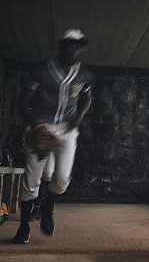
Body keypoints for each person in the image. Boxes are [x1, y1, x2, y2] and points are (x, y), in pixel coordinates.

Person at [12, 29, 92, 244]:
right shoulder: (41, 70)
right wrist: (36, 124)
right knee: (31, 182)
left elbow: (87, 97)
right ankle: (23, 226)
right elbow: (23, 100)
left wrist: (78, 118)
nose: (74, 49)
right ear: (61, 45)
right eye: (69, 44)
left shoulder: (84, 73)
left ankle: (48, 207)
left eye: (78, 45)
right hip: (41, 128)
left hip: (67, 130)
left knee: (62, 179)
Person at [19, 119, 56, 222]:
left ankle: (49, 205)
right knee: (34, 178)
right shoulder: (35, 104)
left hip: (53, 137)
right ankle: (36, 208)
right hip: (37, 136)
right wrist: (23, 132)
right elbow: (28, 111)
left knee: (48, 174)